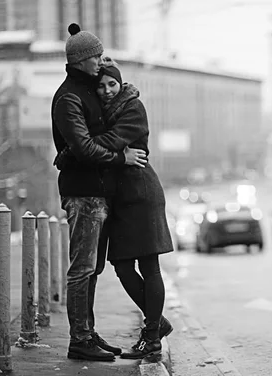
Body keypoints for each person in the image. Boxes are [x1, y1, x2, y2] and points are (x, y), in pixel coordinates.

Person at [56, 57, 175, 359]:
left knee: (149, 266)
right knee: (122, 268)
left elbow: (111, 140)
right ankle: (156, 322)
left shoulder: (132, 108)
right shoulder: (102, 110)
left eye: (113, 84)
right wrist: (81, 149)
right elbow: (101, 145)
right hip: (120, 197)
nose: (108, 90)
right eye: (102, 85)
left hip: (141, 193)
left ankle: (152, 336)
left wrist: (76, 151)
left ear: (121, 84)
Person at [51, 23, 148, 361]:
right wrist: (120, 156)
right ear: (80, 61)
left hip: (98, 192)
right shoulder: (69, 98)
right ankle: (79, 340)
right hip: (83, 194)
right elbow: (85, 149)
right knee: (81, 269)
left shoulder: (88, 88)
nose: (100, 62)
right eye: (95, 57)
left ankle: (88, 334)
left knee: (93, 269)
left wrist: (100, 58)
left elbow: (84, 143)